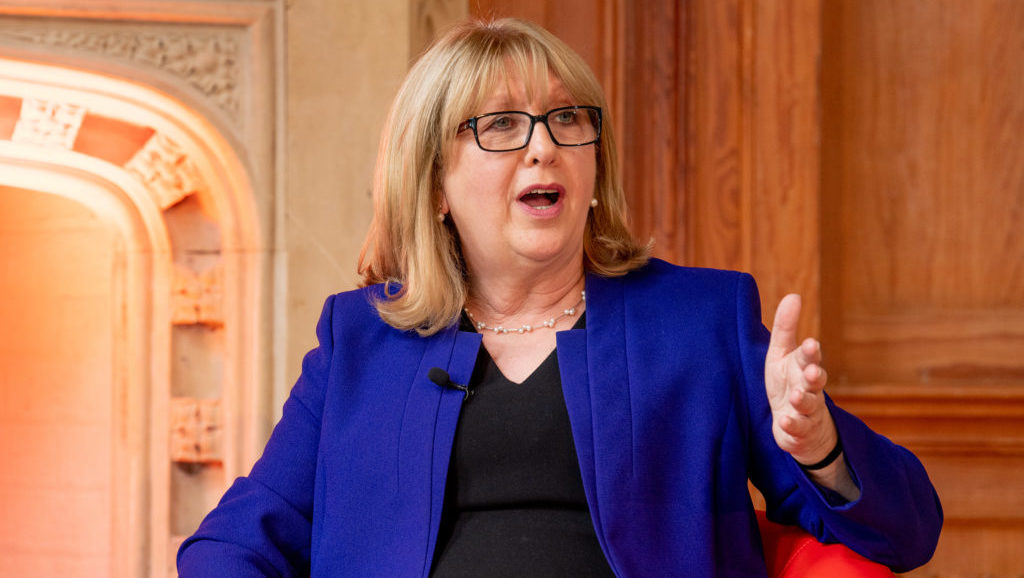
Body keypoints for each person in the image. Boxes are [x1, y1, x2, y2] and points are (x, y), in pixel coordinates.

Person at [177, 17, 942, 577]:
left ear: (593, 165)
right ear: (434, 184)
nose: (544, 146)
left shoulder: (700, 322)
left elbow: (908, 534)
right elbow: (236, 541)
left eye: (566, 118)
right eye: (501, 125)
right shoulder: (361, 341)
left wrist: (820, 449)